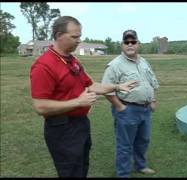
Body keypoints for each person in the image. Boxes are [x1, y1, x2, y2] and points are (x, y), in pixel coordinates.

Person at [29, 16, 136, 178]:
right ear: (59, 36)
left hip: (80, 124)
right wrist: (78, 102)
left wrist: (116, 86)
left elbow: (91, 85)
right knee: (70, 172)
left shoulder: (72, 61)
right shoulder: (44, 66)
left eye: (80, 36)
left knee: (81, 167)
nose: (79, 40)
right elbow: (40, 106)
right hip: (62, 129)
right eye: (74, 37)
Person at [101, 29, 159, 177]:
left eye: (133, 41)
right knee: (125, 145)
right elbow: (106, 89)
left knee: (143, 140)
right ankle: (123, 174)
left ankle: (141, 166)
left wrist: (153, 100)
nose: (130, 44)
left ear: (138, 43)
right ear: (122, 44)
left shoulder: (144, 62)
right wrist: (120, 107)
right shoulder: (115, 65)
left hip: (145, 110)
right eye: (127, 42)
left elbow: (152, 82)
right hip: (127, 110)